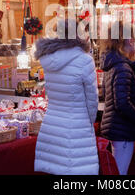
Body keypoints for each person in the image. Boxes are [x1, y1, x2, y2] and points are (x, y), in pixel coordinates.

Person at [33, 19, 99, 175]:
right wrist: (89, 120)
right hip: (77, 124)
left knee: (55, 169)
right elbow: (92, 100)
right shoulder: (84, 60)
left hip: (52, 122)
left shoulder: (48, 58)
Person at [99, 21, 135, 175]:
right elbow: (122, 103)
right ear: (128, 40)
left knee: (114, 171)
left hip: (113, 126)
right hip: (122, 129)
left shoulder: (111, 65)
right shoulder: (123, 67)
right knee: (119, 173)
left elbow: (105, 94)